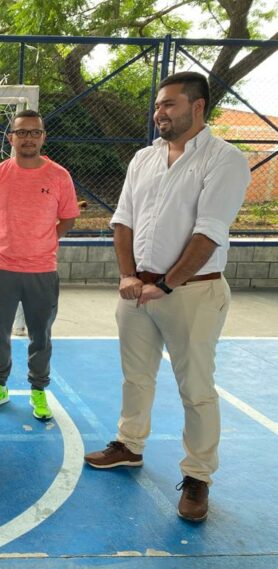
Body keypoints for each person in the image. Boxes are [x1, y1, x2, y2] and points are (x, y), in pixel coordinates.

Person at [84, 72, 250, 523]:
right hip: (137, 289)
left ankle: (198, 477)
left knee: (195, 389)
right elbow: (123, 221)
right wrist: (127, 275)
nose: (160, 112)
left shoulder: (224, 159)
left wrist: (167, 284)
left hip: (192, 292)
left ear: (198, 107)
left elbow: (209, 233)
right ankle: (129, 445)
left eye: (170, 104)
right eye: (158, 104)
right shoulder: (144, 158)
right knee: (135, 377)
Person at [0, 109, 80, 418]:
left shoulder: (59, 176)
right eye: (22, 132)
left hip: (42, 270)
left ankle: (38, 390)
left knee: (41, 335)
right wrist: (7, 237)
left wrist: (43, 239)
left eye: (34, 132)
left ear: (43, 137)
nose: (28, 138)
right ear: (11, 137)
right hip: (2, 267)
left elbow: (69, 218)